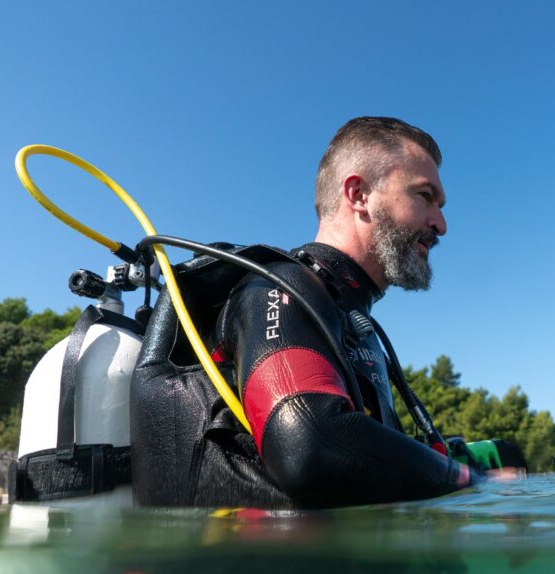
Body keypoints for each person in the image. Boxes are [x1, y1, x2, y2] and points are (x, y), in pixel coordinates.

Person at [133, 117, 516, 508]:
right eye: (424, 196)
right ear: (359, 194)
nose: (441, 224)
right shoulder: (279, 288)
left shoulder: (356, 326)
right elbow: (311, 444)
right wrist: (474, 481)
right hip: (248, 565)